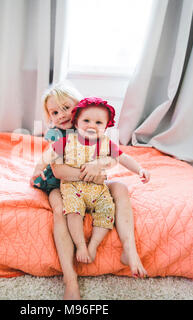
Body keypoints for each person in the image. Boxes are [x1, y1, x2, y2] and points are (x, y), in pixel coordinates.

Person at [30, 83, 148, 300]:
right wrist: (96, 172)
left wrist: (102, 167)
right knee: (59, 209)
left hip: (90, 181)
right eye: (54, 112)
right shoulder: (57, 135)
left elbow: (115, 155)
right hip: (59, 182)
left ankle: (129, 251)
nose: (61, 114)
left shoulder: (91, 126)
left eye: (66, 107)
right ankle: (70, 278)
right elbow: (59, 170)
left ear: (80, 106)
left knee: (120, 188)